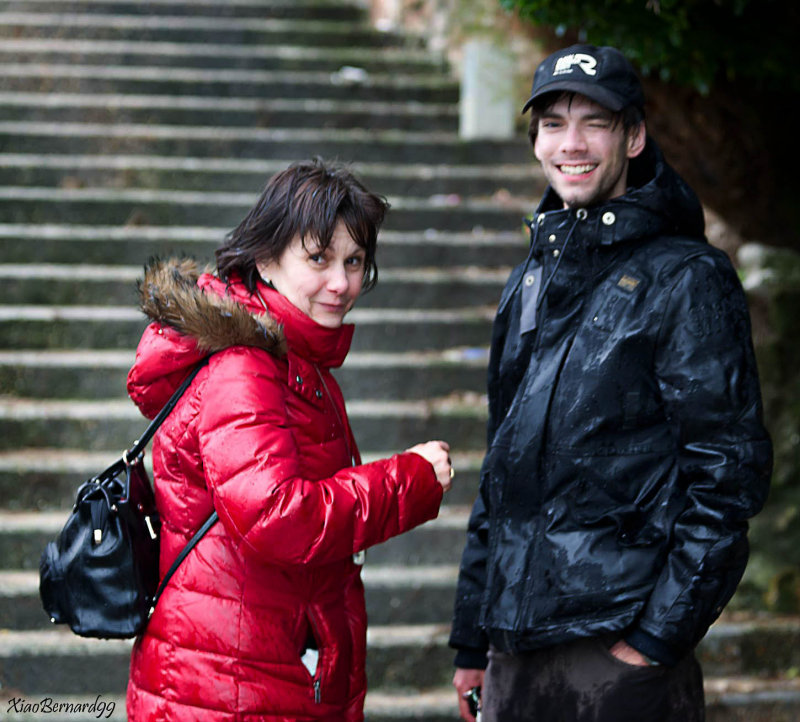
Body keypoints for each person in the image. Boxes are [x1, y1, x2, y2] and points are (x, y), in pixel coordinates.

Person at [449, 44, 772, 722]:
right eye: (554, 123)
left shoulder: (688, 279)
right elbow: (502, 475)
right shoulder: (529, 278)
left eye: (595, 122)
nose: (572, 144)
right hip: (515, 653)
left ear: (634, 137)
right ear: (535, 139)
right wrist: (472, 638)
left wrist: (654, 642)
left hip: (618, 653)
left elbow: (727, 478)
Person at [125, 158, 454, 721]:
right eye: (319, 258)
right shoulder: (244, 368)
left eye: (354, 262)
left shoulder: (292, 358)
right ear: (265, 256)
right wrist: (409, 481)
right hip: (226, 683)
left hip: (250, 666)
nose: (342, 283)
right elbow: (278, 516)